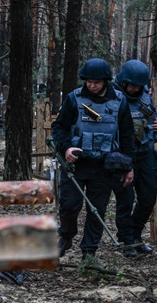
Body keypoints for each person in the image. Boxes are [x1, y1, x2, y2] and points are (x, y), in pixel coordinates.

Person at [51, 58, 135, 264]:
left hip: (104, 166)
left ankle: (89, 252)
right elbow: (59, 128)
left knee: (97, 210)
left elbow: (126, 135)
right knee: (69, 205)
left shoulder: (119, 102)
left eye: (96, 82)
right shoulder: (74, 99)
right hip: (75, 163)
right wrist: (67, 147)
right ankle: (66, 236)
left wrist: (128, 166)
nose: (92, 85)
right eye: (88, 81)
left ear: (105, 81)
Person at [112, 60, 156, 257]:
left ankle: (136, 235)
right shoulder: (112, 96)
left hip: (145, 152)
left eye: (139, 85)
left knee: (148, 198)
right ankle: (126, 240)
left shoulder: (146, 96)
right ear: (123, 81)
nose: (136, 88)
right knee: (125, 200)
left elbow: (153, 118)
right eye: (132, 85)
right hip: (122, 156)